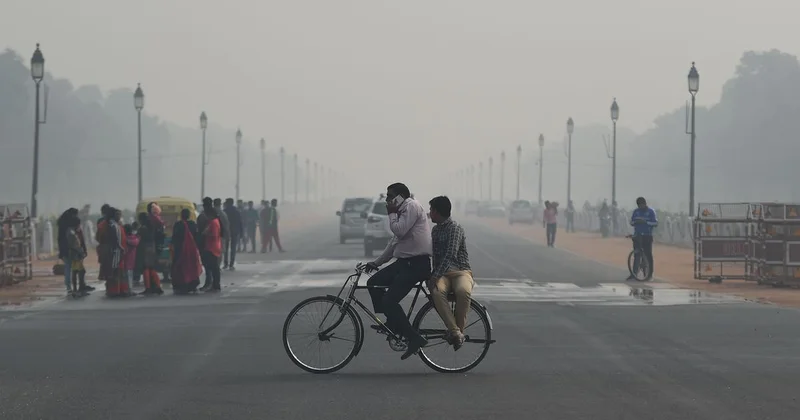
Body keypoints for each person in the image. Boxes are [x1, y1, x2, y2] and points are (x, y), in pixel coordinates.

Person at [364, 183, 432, 360]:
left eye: (390, 196)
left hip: (417, 265)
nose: (387, 200)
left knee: (389, 300)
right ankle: (393, 322)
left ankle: (414, 338)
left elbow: (399, 231)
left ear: (400, 196)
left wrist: (391, 213)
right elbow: (394, 242)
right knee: (373, 283)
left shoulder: (411, 206)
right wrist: (376, 263)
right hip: (404, 263)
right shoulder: (402, 211)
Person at [427, 196, 473, 350]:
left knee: (463, 291)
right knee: (437, 292)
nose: (429, 213)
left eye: (431, 210)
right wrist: (435, 276)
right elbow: (436, 256)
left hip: (460, 272)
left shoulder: (455, 228)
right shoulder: (435, 230)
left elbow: (450, 254)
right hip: (443, 275)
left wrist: (434, 276)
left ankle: (458, 331)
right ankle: (456, 333)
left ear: (437, 212)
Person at [171, 209, 202, 294]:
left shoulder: (178, 225)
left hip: (180, 250)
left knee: (179, 267)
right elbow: (197, 237)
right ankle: (192, 285)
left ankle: (181, 285)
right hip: (191, 250)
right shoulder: (193, 224)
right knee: (192, 266)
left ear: (181, 215)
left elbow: (174, 237)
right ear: (189, 215)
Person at [628, 197, 658, 281]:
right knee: (637, 254)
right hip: (637, 235)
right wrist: (636, 222)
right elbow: (631, 222)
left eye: (642, 205)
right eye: (639, 205)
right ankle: (634, 274)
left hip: (647, 235)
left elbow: (655, 223)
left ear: (645, 204)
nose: (640, 207)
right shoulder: (636, 212)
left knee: (648, 255)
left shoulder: (651, 211)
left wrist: (646, 222)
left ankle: (649, 274)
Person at [136, 212, 164, 295]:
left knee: (146, 269)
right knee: (152, 268)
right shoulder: (152, 226)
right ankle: (158, 286)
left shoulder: (143, 228)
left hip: (145, 249)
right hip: (152, 248)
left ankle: (148, 288)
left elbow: (138, 238)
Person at [201, 200, 223, 292]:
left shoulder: (213, 222)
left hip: (212, 247)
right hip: (214, 246)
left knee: (214, 267)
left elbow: (213, 235)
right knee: (214, 267)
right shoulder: (215, 221)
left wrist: (205, 233)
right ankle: (215, 284)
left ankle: (215, 285)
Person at [223, 198, 243, 270]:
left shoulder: (224, 211)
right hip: (235, 231)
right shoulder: (237, 211)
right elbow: (240, 222)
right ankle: (231, 264)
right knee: (233, 248)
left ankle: (225, 263)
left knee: (225, 248)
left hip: (226, 231)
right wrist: (241, 232)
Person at [213, 198, 230, 267]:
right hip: (221, 235)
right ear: (220, 204)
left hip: (211, 235)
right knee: (219, 252)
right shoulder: (223, 213)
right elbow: (226, 225)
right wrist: (227, 235)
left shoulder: (208, 212)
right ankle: (217, 265)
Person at [123, 224, 139, 294]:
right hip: (131, 259)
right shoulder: (134, 238)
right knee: (129, 275)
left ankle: (128, 290)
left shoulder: (124, 238)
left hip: (126, 259)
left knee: (127, 275)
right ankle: (129, 289)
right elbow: (136, 242)